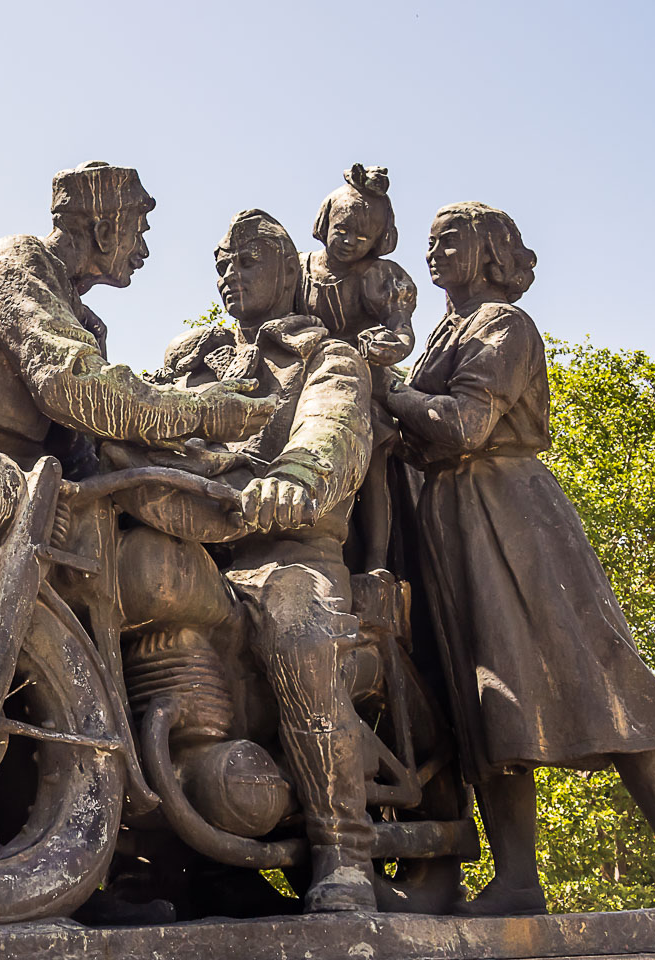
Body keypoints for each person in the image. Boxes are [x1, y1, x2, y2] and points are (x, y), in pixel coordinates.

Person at [383, 202, 655, 914]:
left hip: (514, 516)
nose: (434, 251)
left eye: (449, 240)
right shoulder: (446, 329)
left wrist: (390, 391)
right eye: (429, 242)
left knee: (605, 679)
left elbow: (465, 424)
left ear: (491, 250)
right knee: (486, 696)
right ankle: (518, 879)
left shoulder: (502, 324)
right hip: (452, 526)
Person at [0, 161, 277, 539]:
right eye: (139, 233)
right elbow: (70, 385)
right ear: (105, 233)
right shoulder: (18, 260)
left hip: (16, 476)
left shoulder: (72, 309)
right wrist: (201, 411)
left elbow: (78, 444)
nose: (143, 251)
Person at [208, 209, 378, 911]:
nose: (231, 274)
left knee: (297, 634)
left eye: (248, 261)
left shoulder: (326, 356)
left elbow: (332, 425)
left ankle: (345, 852)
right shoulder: (192, 360)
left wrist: (299, 476)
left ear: (288, 271)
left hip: (292, 551)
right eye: (223, 262)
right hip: (199, 550)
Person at [296, 164, 416, 572]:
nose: (349, 242)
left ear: (380, 239)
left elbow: (403, 333)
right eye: (342, 230)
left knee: (373, 468)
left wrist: (387, 346)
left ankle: (375, 562)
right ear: (325, 220)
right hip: (302, 386)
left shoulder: (380, 277)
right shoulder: (296, 269)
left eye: (362, 237)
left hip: (362, 389)